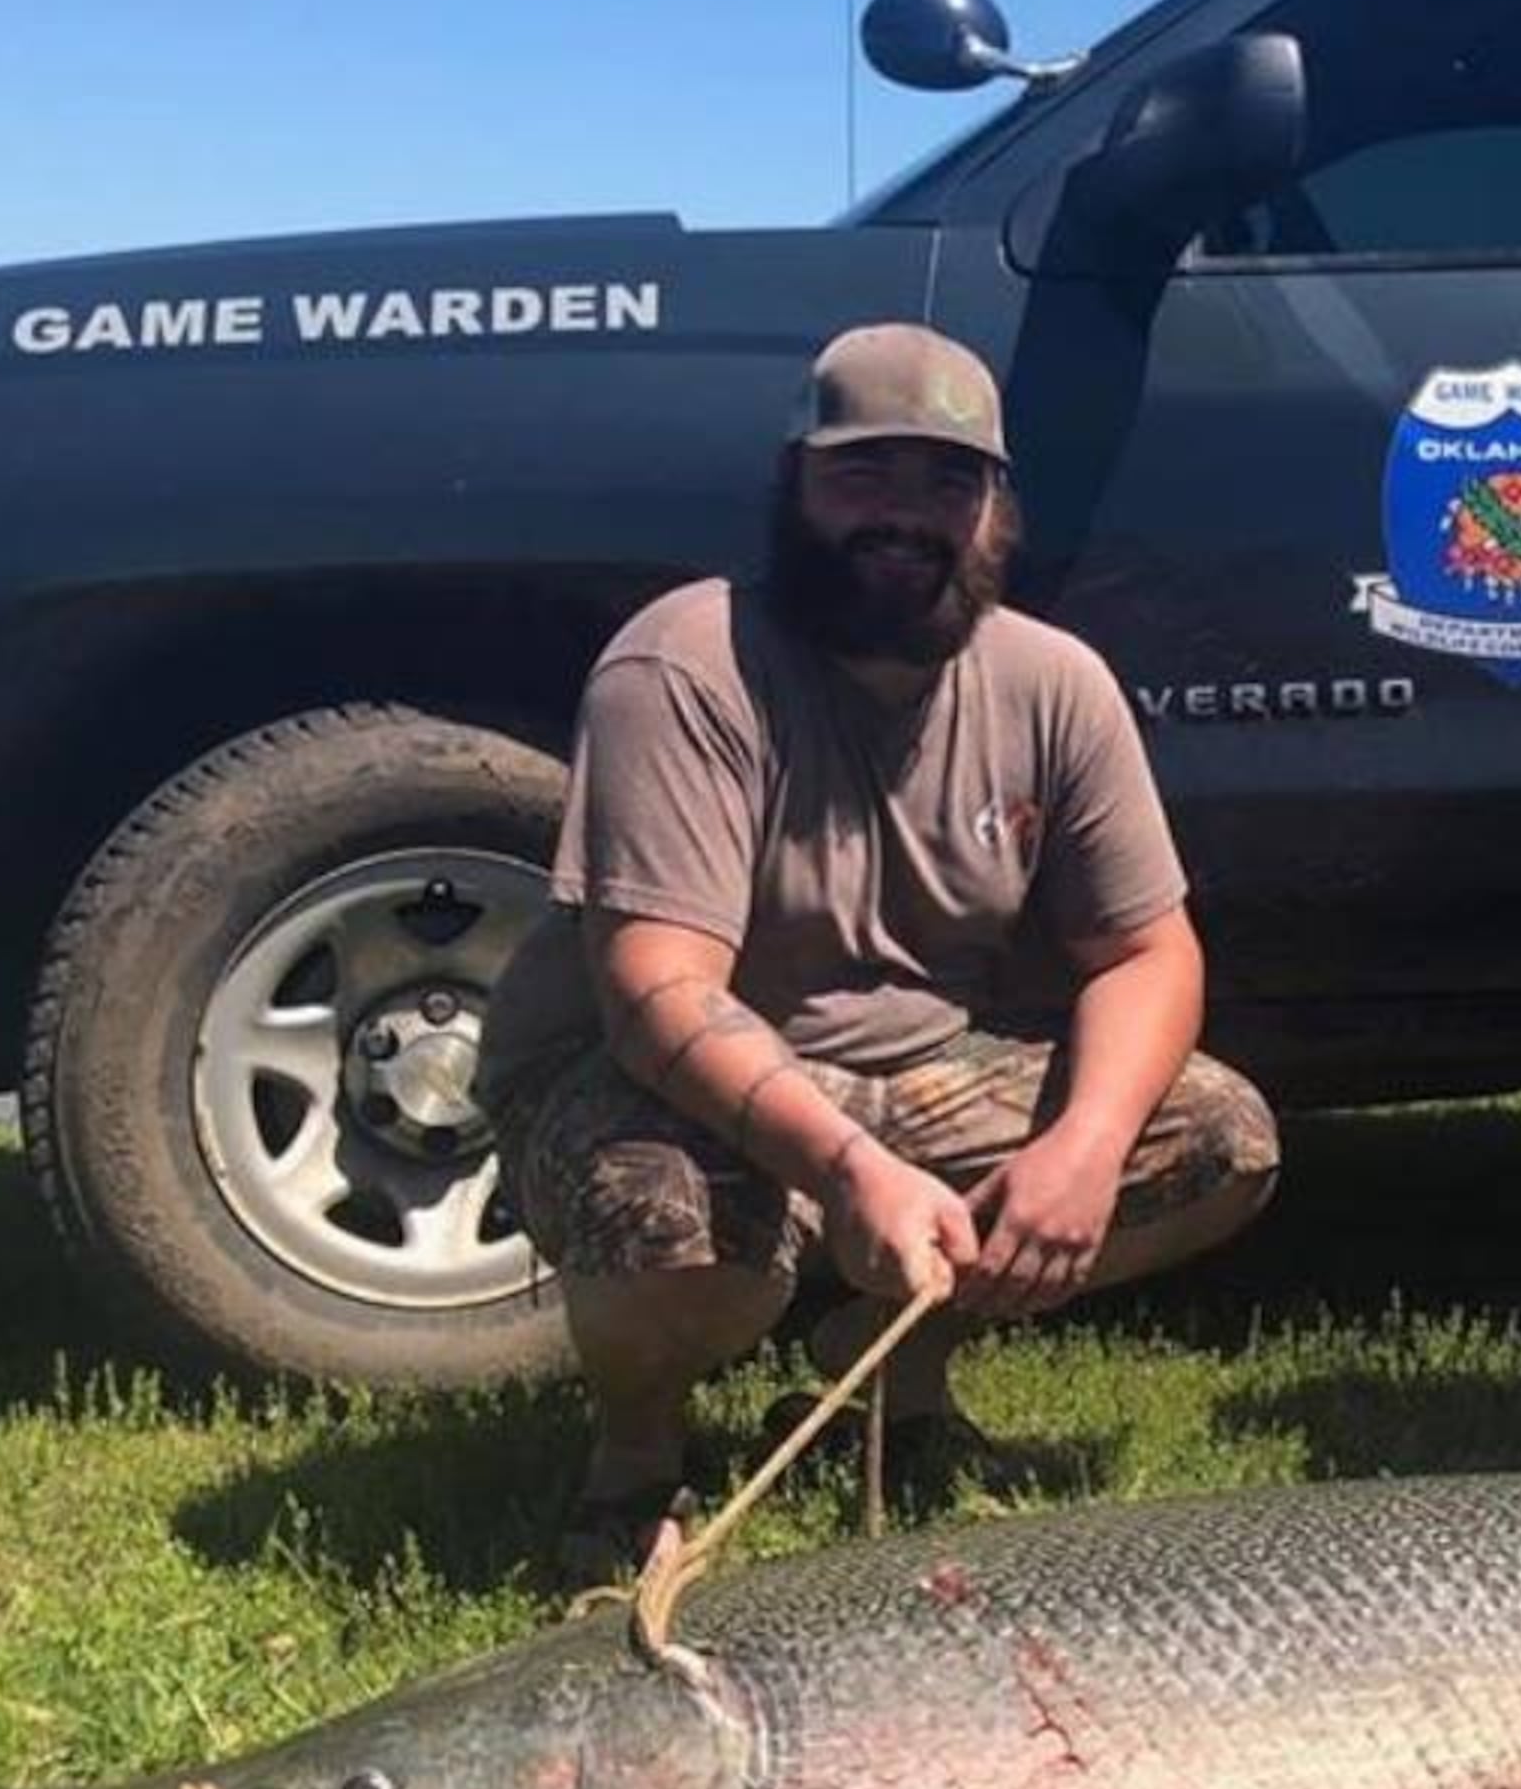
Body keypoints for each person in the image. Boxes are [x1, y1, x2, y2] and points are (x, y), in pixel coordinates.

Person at [476, 323, 1281, 1579]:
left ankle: (889, 1376)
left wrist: (1079, 1152)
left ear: (997, 511)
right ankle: (633, 1465)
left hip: (910, 1076)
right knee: (672, 1227)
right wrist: (848, 1171)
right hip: (640, 1078)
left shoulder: (1056, 683)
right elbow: (655, 998)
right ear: (792, 484)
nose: (906, 518)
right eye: (865, 477)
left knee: (1218, 1145)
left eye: (948, 483)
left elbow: (1148, 953)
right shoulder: (684, 663)